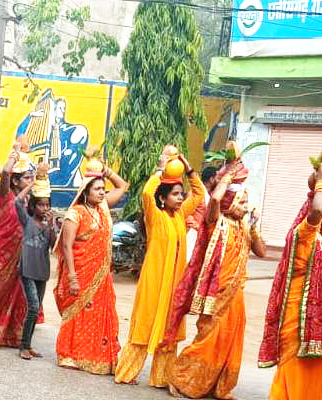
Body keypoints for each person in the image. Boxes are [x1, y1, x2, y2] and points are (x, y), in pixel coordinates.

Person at [162, 155, 266, 398]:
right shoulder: (216, 221)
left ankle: (220, 386)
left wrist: (254, 226)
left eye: (246, 203)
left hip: (236, 295)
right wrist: (228, 174)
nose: (245, 207)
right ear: (230, 203)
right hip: (215, 295)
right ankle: (178, 377)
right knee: (207, 340)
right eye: (242, 203)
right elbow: (215, 198)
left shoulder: (243, 227)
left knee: (230, 341)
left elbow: (260, 252)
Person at [114, 146, 205, 387]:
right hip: (154, 283)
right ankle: (126, 373)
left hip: (174, 284)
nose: (180, 198)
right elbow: (147, 193)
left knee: (170, 329)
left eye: (180, 194)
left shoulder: (180, 215)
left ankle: (161, 378)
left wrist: (189, 169)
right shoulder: (155, 215)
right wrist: (161, 169)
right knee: (144, 327)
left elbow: (199, 195)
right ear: (163, 198)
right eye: (175, 194)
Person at [258, 163, 322, 400]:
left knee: (317, 367)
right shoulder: (303, 233)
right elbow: (315, 213)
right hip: (299, 316)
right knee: (295, 367)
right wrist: (321, 182)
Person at [54, 150, 129, 373]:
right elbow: (66, 246)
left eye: (103, 189)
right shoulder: (75, 214)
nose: (102, 193)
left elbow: (122, 186)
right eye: (97, 189)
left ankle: (95, 357)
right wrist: (73, 277)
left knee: (97, 314)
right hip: (81, 274)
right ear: (85, 191)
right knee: (79, 314)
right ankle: (70, 355)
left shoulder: (103, 208)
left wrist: (104, 170)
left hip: (101, 277)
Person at [0, 141, 36, 347]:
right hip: (1, 250)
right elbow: (7, 173)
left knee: (18, 294)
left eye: (31, 177)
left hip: (21, 253)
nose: (31, 181)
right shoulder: (5, 194)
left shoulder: (28, 201)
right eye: (27, 178)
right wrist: (14, 153)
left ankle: (9, 334)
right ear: (17, 181)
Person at [16, 162, 56, 359]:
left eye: (47, 204)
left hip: (42, 270)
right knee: (32, 306)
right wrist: (33, 185)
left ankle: (28, 344)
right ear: (33, 205)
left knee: (36, 307)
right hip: (27, 269)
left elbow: (53, 246)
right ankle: (24, 346)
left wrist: (52, 226)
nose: (44, 208)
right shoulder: (27, 221)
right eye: (40, 204)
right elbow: (17, 202)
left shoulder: (49, 224)